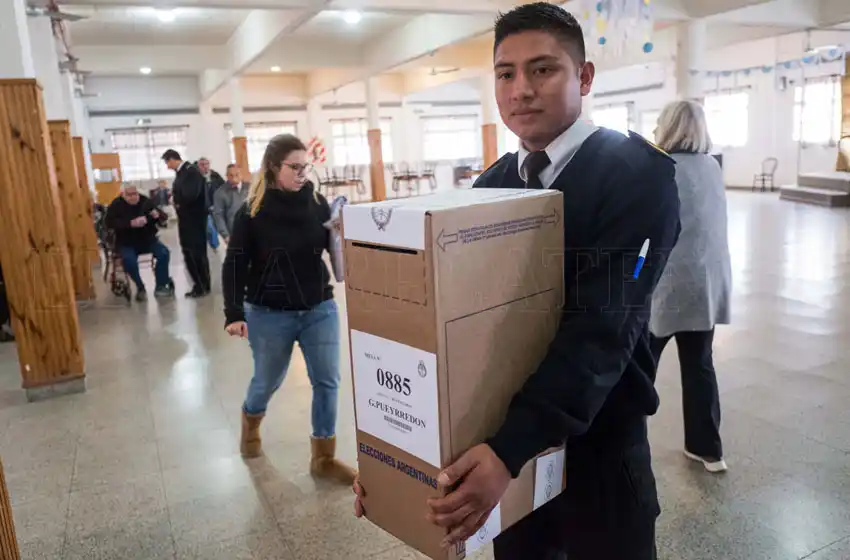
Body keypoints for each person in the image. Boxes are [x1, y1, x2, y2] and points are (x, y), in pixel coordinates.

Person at [353, 4, 681, 559]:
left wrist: (510, 449)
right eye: (505, 73)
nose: (520, 89)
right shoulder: (492, 185)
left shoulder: (635, 175)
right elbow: (451, 336)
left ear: (584, 76)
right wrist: (402, 462)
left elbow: (603, 330)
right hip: (507, 463)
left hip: (595, 450)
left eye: (543, 69)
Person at [222, 134, 356, 484]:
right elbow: (234, 264)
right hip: (268, 312)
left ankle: (323, 458)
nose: (302, 173)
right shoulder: (251, 212)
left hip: (319, 307)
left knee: (328, 380)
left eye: (305, 166)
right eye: (294, 167)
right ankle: (250, 425)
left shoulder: (316, 200)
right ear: (272, 167)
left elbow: (335, 249)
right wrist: (233, 314)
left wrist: (346, 234)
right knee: (268, 380)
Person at [649, 100, 732, 473]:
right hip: (704, 284)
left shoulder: (658, 168)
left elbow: (645, 235)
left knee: (638, 369)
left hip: (665, 288)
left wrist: (630, 277)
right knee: (699, 366)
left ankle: (623, 446)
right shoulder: (712, 166)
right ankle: (708, 450)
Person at [105, 183, 174, 302]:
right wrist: (130, 223)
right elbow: (109, 223)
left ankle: (161, 285)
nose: (133, 197)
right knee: (129, 261)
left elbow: (163, 217)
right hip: (127, 242)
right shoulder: (116, 205)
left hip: (147, 239)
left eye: (135, 193)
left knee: (164, 253)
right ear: (123, 195)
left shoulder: (145, 201)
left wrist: (157, 216)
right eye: (129, 195)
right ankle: (140, 286)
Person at [162, 149, 211, 298]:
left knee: (195, 253)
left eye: (167, 162)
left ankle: (201, 285)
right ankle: (200, 285)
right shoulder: (183, 172)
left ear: (172, 159)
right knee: (190, 252)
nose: (167, 166)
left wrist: (176, 201)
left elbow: (190, 195)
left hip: (193, 220)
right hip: (188, 220)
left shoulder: (190, 172)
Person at [213, 163, 249, 244]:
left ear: (241, 174)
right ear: (227, 176)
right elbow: (218, 215)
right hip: (233, 234)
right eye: (231, 175)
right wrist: (225, 235)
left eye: (237, 174)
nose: (234, 178)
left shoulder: (250, 188)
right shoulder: (220, 193)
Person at [198, 157, 224, 251]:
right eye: (202, 164)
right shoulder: (196, 178)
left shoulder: (216, 176)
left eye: (206, 164)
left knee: (218, 227)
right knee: (209, 228)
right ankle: (215, 246)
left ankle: (218, 245)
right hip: (204, 209)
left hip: (216, 207)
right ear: (198, 166)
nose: (205, 166)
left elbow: (223, 188)